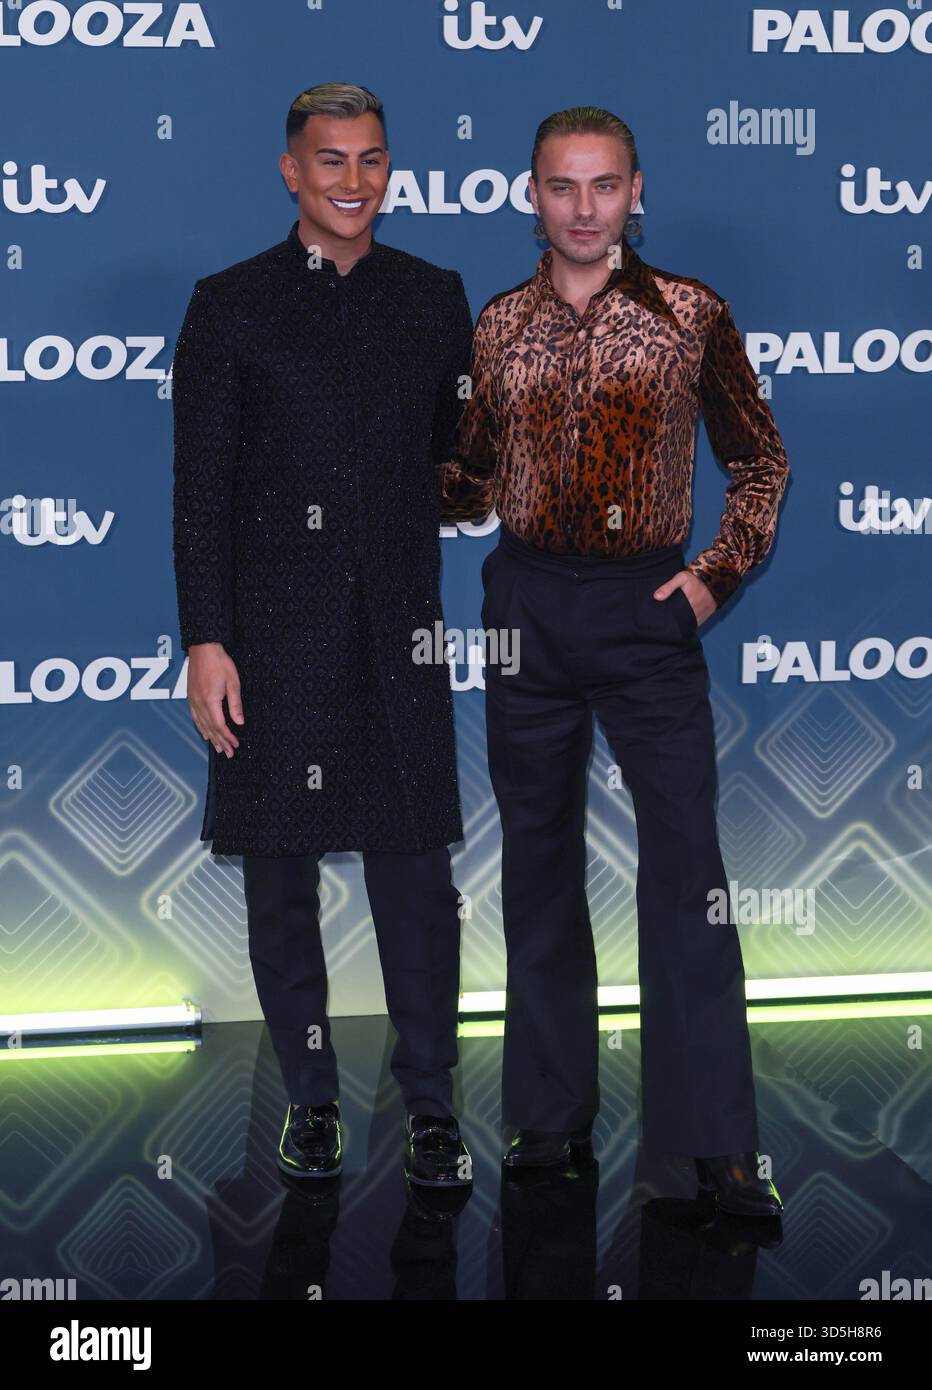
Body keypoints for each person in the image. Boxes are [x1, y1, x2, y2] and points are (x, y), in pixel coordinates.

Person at [439, 106, 790, 1217]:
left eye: (602, 187)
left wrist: (711, 579)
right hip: (527, 604)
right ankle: (548, 1120)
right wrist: (375, 471)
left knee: (688, 875)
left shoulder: (690, 316)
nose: (583, 209)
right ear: (529, 195)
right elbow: (472, 481)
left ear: (636, 190)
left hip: (647, 610)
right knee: (536, 868)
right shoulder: (495, 328)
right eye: (560, 186)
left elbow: (760, 460)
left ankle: (716, 1146)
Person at [172, 82, 475, 1187]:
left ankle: (432, 1103)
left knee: (415, 879)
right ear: (291, 171)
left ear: (390, 169)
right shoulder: (231, 304)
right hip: (273, 635)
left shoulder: (434, 297)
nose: (354, 181)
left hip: (399, 631)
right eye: (331, 161)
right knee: (279, 879)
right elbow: (199, 492)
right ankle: (309, 1099)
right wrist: (207, 638)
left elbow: (455, 461)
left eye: (372, 160)